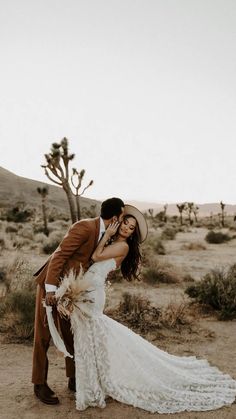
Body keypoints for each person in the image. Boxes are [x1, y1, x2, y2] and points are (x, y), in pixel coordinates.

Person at [52, 204, 236, 414]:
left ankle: (93, 386)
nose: (126, 229)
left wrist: (108, 234)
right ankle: (92, 382)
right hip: (88, 289)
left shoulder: (123, 247)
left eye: (131, 228)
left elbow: (95, 257)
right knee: (87, 338)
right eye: (125, 224)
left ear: (132, 234)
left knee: (90, 336)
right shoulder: (114, 241)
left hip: (93, 294)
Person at [32, 197, 125, 405]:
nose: (123, 219)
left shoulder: (108, 235)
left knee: (72, 332)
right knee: (44, 334)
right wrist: (51, 289)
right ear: (115, 217)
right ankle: (39, 384)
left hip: (73, 289)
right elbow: (59, 256)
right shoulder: (84, 227)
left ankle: (74, 379)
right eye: (122, 216)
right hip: (52, 285)